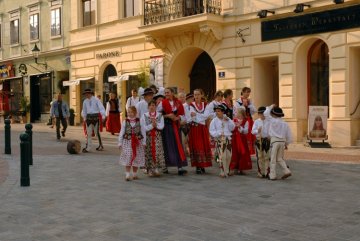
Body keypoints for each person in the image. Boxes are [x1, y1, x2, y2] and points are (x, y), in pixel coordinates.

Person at [157, 87, 187, 175]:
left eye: (168, 92)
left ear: (172, 93)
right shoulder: (162, 103)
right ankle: (165, 166)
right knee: (166, 145)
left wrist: (178, 117)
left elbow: (183, 114)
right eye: (165, 93)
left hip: (176, 126)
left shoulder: (178, 102)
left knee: (177, 146)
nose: (166, 94)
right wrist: (167, 116)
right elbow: (157, 115)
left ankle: (180, 167)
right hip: (166, 127)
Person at [264, 105, 292, 180]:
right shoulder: (285, 123)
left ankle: (272, 175)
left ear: (273, 114)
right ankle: (286, 170)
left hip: (274, 141)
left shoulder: (272, 121)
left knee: (272, 159)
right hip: (282, 141)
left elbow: (265, 113)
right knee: (280, 158)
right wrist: (287, 144)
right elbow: (289, 135)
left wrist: (269, 107)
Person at [118, 106, 146, 181]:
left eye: (131, 112)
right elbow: (122, 132)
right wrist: (120, 142)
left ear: (135, 113)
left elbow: (143, 132)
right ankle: (127, 174)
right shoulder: (125, 121)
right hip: (127, 142)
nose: (129, 114)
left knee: (136, 157)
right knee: (128, 157)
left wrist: (144, 142)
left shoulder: (140, 121)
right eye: (128, 112)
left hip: (137, 142)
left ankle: (134, 174)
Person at [188, 89, 212, 174]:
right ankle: (198, 166)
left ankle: (203, 165)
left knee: (203, 146)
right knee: (197, 146)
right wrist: (201, 117)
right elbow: (193, 118)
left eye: (198, 94)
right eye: (195, 95)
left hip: (203, 129)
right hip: (195, 129)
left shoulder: (206, 105)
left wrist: (197, 115)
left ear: (201, 95)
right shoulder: (191, 105)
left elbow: (206, 116)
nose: (196, 96)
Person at [209, 104, 235, 178]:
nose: (217, 112)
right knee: (222, 156)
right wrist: (219, 133)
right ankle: (222, 171)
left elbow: (232, 128)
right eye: (216, 111)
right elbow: (212, 131)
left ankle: (227, 170)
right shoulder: (214, 121)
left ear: (223, 112)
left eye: (219, 111)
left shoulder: (227, 119)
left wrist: (229, 121)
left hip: (228, 139)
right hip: (220, 140)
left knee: (229, 156)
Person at [141, 100, 165, 177]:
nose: (152, 107)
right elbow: (143, 127)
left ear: (156, 107)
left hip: (157, 136)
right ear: (148, 107)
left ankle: (156, 168)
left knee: (157, 152)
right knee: (149, 152)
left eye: (153, 105)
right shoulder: (144, 115)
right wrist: (152, 126)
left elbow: (162, 126)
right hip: (148, 136)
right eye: (150, 105)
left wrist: (156, 125)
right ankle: (149, 169)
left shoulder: (160, 115)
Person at [234, 87, 256, 155]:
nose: (247, 94)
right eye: (246, 92)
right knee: (243, 136)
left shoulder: (250, 101)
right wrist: (243, 105)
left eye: (249, 92)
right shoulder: (238, 102)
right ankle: (242, 151)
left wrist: (249, 105)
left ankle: (249, 152)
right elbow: (236, 112)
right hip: (241, 121)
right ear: (242, 92)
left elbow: (254, 111)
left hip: (249, 120)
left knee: (250, 137)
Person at [230, 107, 252, 175]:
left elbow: (246, 131)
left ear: (242, 114)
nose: (237, 114)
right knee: (235, 153)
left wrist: (240, 127)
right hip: (235, 139)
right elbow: (231, 128)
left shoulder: (246, 121)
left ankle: (242, 168)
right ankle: (235, 168)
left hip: (242, 140)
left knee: (243, 153)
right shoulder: (233, 120)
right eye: (237, 113)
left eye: (239, 113)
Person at [251, 106, 270, 178]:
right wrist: (257, 131)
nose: (262, 115)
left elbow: (271, 131)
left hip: (266, 140)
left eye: (263, 114)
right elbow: (252, 131)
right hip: (259, 140)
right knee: (259, 156)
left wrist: (269, 136)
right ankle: (260, 172)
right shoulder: (256, 121)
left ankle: (266, 172)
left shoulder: (268, 121)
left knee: (267, 156)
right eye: (260, 114)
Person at [181, 93, 194, 157]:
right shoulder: (183, 106)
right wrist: (184, 121)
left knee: (191, 140)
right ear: (188, 99)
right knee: (184, 140)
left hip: (192, 124)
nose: (193, 99)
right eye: (192, 98)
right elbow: (181, 115)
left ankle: (191, 153)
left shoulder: (193, 106)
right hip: (185, 124)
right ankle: (184, 154)